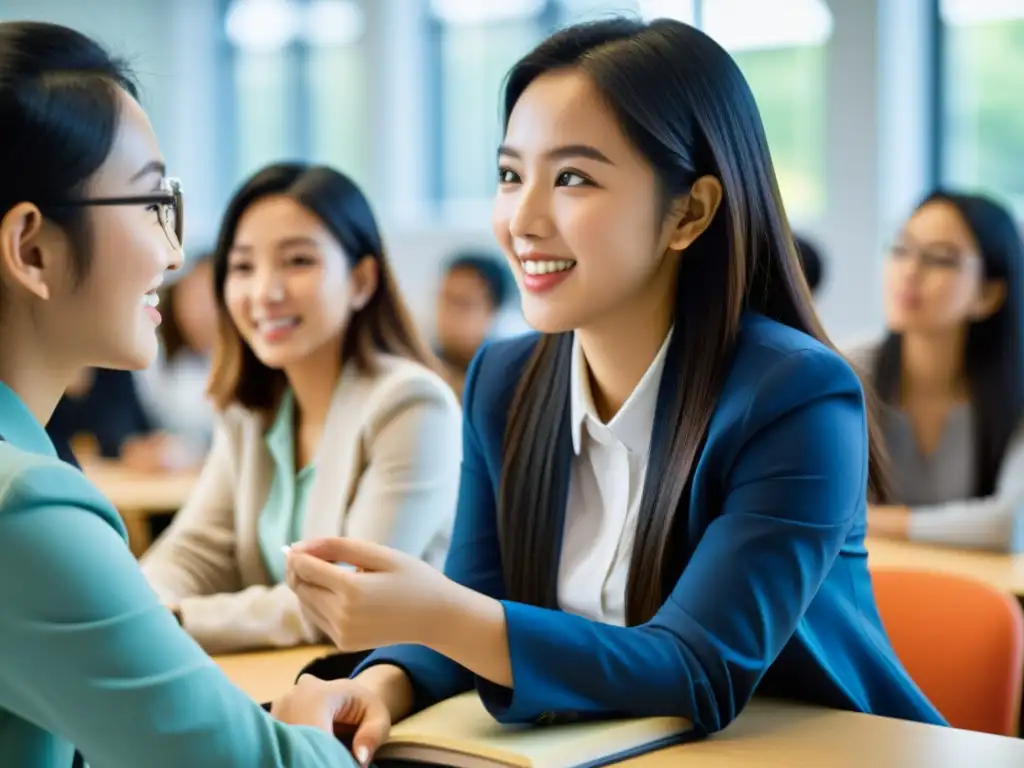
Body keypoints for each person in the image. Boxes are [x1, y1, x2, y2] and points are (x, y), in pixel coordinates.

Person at [273, 17, 946, 764]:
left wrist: (442, 614)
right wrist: (385, 683)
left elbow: (698, 668)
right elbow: (480, 600)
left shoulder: (797, 397)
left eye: (572, 178)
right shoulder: (504, 382)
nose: (522, 220)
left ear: (688, 212)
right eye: (509, 175)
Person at [0, 21, 360, 767]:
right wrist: (307, 723)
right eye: (148, 205)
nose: (171, 253)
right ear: (31, 250)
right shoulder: (23, 512)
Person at [141, 162, 461, 654]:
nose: (265, 292)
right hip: (286, 677)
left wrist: (179, 619)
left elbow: (347, 597)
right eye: (243, 267)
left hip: (387, 688)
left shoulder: (411, 404)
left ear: (360, 280)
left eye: (297, 261)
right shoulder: (253, 413)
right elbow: (194, 552)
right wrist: (146, 608)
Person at [847, 191, 1024, 552]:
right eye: (900, 250)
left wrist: (870, 519)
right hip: (869, 589)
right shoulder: (847, 371)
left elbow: (1008, 524)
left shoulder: (1015, 388)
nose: (910, 271)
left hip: (982, 596)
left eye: (940, 259)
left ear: (989, 294)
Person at [126, 252, 218, 471]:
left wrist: (180, 454)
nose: (202, 312)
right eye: (194, 297)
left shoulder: (249, 363)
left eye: (212, 298)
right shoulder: (158, 356)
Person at [435, 250, 511, 398]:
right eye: (445, 299)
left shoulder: (508, 380)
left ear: (492, 311)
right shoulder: (417, 368)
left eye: (463, 303)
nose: (449, 312)